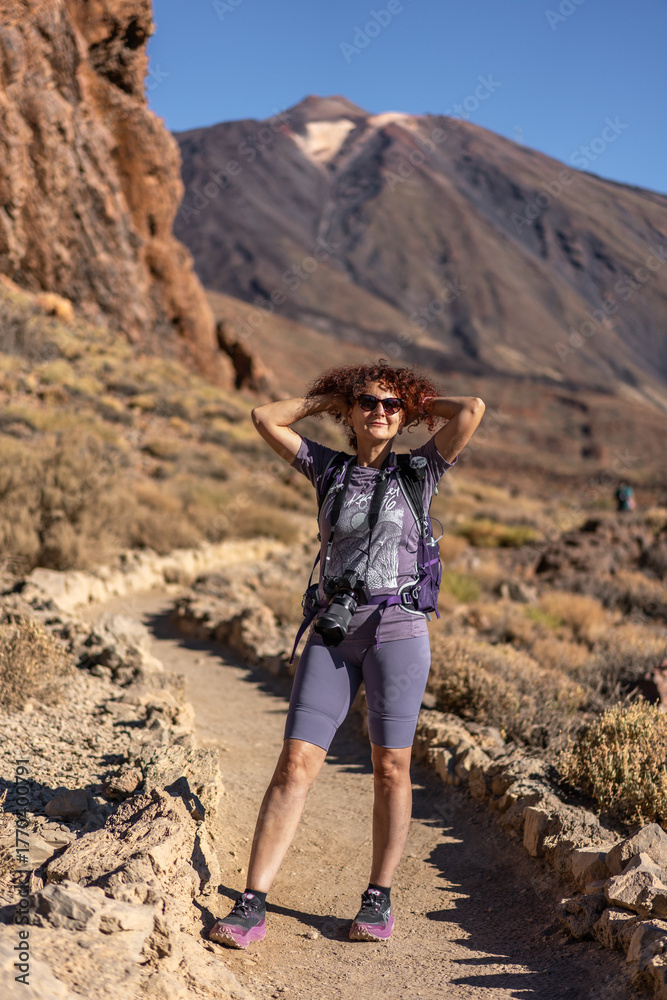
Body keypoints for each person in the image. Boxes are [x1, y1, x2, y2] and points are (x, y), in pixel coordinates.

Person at [209, 360, 485, 948]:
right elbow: (264, 416)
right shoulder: (327, 468)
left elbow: (471, 411)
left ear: (403, 414)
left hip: (399, 632)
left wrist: (413, 398)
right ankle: (251, 902)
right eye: (368, 403)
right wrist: (331, 397)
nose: (379, 412)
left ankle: (378, 899)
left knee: (391, 768)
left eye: (390, 406)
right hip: (334, 633)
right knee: (294, 764)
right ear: (351, 414)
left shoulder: (422, 470)